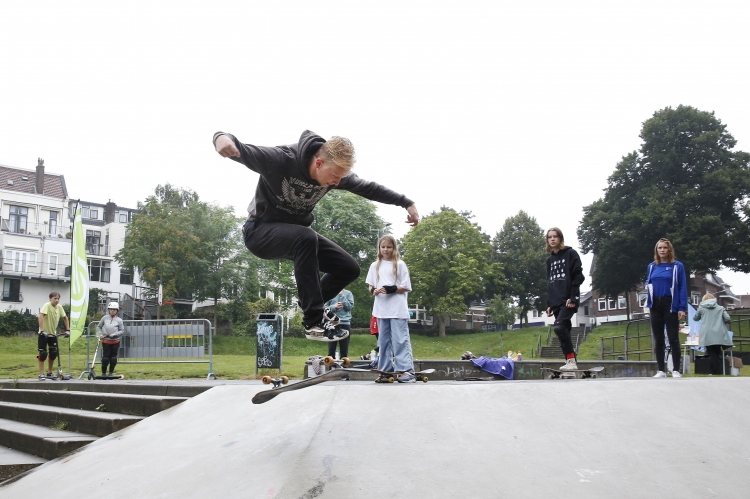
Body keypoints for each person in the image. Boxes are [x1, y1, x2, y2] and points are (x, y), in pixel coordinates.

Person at [213, 130, 419, 342]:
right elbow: (242, 149)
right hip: (259, 232)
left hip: (297, 237)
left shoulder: (335, 175)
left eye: (341, 178)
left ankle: (308, 302)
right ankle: (313, 320)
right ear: (319, 163)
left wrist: (406, 202)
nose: (337, 183)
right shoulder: (281, 159)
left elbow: (369, 188)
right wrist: (221, 138)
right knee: (306, 237)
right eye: (335, 177)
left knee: (348, 268)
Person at [366, 235, 416, 382]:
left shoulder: (400, 264)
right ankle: (385, 369)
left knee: (400, 340)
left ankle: (406, 370)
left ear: (394, 248)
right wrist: (373, 291)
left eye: (389, 247)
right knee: (383, 341)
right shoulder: (374, 266)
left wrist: (392, 288)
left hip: (397, 309)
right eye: (383, 247)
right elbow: (370, 285)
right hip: (381, 309)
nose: (386, 250)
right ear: (379, 248)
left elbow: (406, 287)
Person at [645, 238, 688, 378]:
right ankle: (661, 370)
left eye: (665, 248)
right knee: (658, 338)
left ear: (669, 250)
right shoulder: (651, 266)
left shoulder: (677, 266)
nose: (662, 250)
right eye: (660, 248)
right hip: (655, 304)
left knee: (673, 337)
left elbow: (682, 287)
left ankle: (676, 369)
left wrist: (682, 307)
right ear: (656, 250)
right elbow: (649, 281)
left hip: (670, 303)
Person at [545, 227, 585, 372]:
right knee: (564, 331)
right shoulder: (549, 260)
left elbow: (578, 276)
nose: (553, 239)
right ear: (547, 240)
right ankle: (570, 362)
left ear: (560, 238)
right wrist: (549, 304)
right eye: (550, 237)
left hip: (568, 300)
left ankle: (571, 360)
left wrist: (573, 296)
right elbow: (550, 282)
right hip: (556, 302)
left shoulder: (570, 254)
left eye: (555, 236)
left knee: (559, 327)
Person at [693, 293, 732, 375]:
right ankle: (717, 371)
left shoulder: (702, 308)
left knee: (711, 352)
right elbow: (727, 318)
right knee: (717, 352)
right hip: (719, 332)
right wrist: (723, 322)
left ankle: (715, 372)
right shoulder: (720, 308)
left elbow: (695, 318)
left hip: (707, 333)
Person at [37, 291, 70, 380]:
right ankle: (41, 374)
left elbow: (65, 318)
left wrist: (68, 330)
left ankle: (49, 373)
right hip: (44, 334)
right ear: (50, 299)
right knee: (43, 354)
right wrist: (42, 330)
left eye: (58, 298)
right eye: (55, 298)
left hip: (53, 335)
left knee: (53, 354)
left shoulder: (59, 307)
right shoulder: (47, 305)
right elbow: (40, 317)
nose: (57, 300)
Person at [97, 302, 124, 377]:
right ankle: (103, 373)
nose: (113, 311)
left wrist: (115, 334)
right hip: (106, 341)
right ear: (109, 310)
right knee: (105, 358)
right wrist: (100, 334)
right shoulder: (104, 318)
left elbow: (122, 331)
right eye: (111, 309)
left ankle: (111, 373)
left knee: (113, 358)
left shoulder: (119, 320)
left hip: (115, 341)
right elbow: (98, 327)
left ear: (117, 311)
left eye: (114, 310)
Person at [324, 289, 354, 359]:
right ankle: (331, 367)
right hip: (332, 324)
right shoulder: (330, 293)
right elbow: (325, 309)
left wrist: (341, 295)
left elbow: (349, 307)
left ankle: (344, 367)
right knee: (331, 348)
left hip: (345, 323)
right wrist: (334, 306)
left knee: (344, 349)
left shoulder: (348, 293)